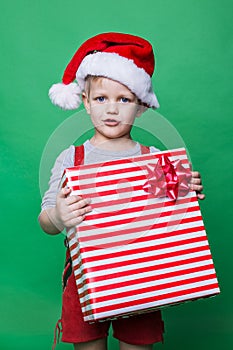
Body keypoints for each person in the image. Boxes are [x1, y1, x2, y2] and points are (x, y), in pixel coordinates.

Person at [39, 32, 205, 350]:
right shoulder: (70, 159)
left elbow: (175, 220)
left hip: (143, 277)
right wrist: (59, 215)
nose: (111, 109)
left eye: (124, 99)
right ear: (85, 102)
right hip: (86, 277)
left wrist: (187, 195)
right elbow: (46, 222)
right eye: (101, 98)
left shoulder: (155, 159)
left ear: (141, 106)